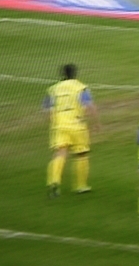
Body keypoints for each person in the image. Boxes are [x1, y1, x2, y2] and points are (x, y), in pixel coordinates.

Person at [44, 64, 100, 198]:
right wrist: (96, 123)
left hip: (59, 126)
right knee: (81, 154)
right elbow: (89, 106)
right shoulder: (80, 87)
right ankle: (81, 186)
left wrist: (54, 124)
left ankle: (54, 181)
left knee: (60, 153)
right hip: (77, 125)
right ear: (75, 74)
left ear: (62, 74)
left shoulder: (53, 89)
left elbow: (47, 110)